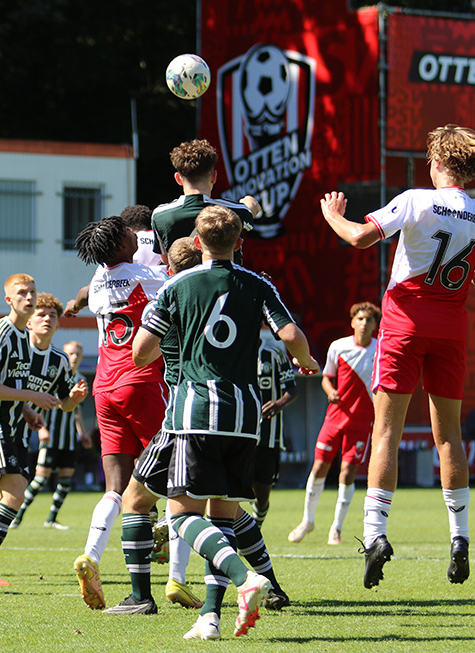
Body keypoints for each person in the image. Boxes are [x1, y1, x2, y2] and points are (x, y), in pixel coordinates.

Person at [319, 124, 475, 588]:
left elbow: (362, 238)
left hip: (404, 323)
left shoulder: (416, 199)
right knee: (449, 437)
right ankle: (459, 539)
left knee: (386, 432)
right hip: (451, 327)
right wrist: (464, 267)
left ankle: (375, 535)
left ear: (439, 163)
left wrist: (332, 218)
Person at [130, 206, 319, 639]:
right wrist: (306, 361)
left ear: (196, 243)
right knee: (223, 520)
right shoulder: (259, 284)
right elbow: (290, 335)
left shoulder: (177, 285)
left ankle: (245, 577)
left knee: (180, 517)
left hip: (195, 412)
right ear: (240, 243)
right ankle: (209, 618)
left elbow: (142, 350)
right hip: (245, 415)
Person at [64, 215, 169, 611]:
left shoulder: (98, 285)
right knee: (178, 472)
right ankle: (175, 572)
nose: (132, 231)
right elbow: (179, 280)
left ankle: (91, 554)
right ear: (122, 246)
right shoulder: (147, 275)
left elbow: (83, 290)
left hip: (103, 387)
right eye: (127, 233)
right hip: (139, 381)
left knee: (115, 487)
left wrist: (73, 304)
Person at [0, 276, 71, 586]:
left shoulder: (23, 337)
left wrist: (29, 410)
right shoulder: (2, 332)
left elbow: (16, 388)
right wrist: (31, 398)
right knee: (13, 495)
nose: (30, 297)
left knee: (9, 495)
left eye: (32, 292)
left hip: (13, 427)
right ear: (8, 300)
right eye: (22, 293)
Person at [288, 301, 380, 546]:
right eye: (359, 319)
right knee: (319, 467)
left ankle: (336, 528)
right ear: (352, 322)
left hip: (362, 421)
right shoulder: (338, 347)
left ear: (375, 325)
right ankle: (307, 521)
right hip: (335, 417)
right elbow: (326, 378)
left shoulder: (380, 350)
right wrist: (330, 391)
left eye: (369, 320)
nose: (364, 323)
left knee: (348, 472)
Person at [13, 339, 90, 530]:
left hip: (69, 439)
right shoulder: (55, 373)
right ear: (64, 355)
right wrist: (43, 429)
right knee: (40, 479)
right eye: (70, 353)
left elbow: (76, 410)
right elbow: (42, 402)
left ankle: (52, 519)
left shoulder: (80, 379)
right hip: (51, 436)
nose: (74, 357)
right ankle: (18, 516)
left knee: (65, 480)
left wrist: (83, 433)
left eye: (78, 354)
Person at [150, 139, 261, 265]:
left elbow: (166, 259)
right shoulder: (233, 211)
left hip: (183, 283)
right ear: (214, 177)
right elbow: (254, 207)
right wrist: (247, 201)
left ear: (178, 179)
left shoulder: (160, 215)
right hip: (226, 283)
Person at [253, 338, 299, 527]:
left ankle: (256, 526)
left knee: (262, 495)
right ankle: (233, 537)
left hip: (267, 436)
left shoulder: (274, 352)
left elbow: (293, 389)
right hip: (237, 433)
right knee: (229, 492)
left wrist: (278, 404)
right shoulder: (230, 349)